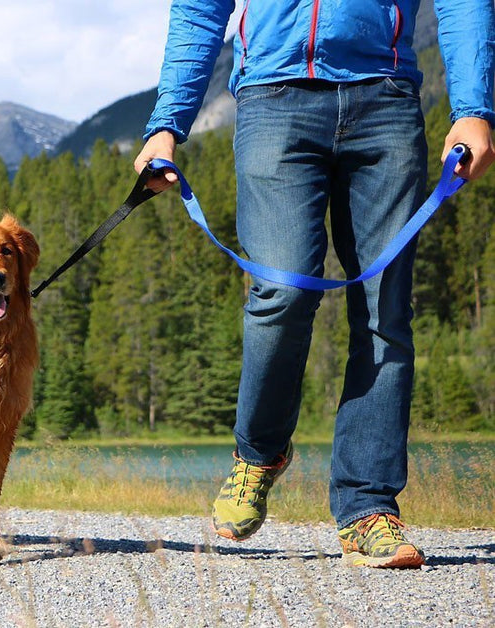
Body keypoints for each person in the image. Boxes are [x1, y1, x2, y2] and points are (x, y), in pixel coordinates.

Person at [135, 0, 494, 568]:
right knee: (282, 292)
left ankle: (369, 509)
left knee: (385, 311)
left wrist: (474, 109)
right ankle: (259, 454)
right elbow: (201, 9)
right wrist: (166, 124)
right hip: (272, 98)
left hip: (387, 98)